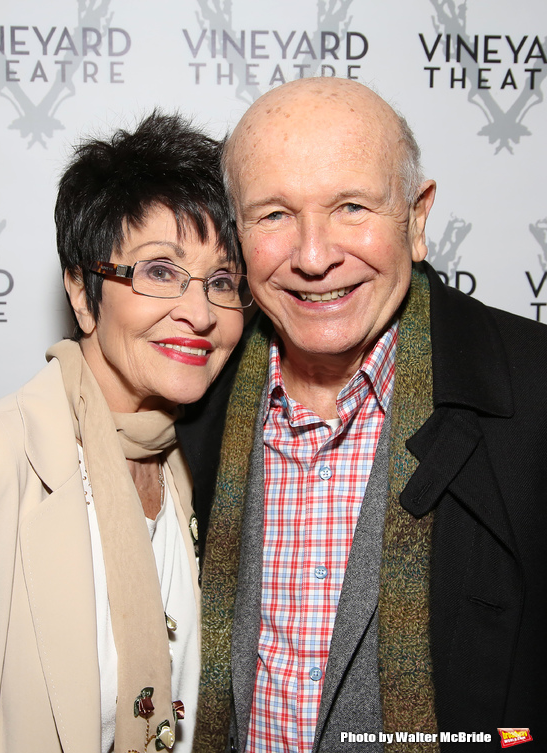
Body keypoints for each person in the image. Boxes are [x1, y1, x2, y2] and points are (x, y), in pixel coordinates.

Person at [191, 78, 547, 752]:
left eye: (351, 206)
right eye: (273, 215)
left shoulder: (533, 397)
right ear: (235, 238)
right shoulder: (192, 406)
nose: (315, 255)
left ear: (416, 219)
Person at [0, 111, 249, 753]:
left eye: (222, 280)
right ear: (84, 296)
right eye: (159, 271)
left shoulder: (209, 465)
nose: (199, 313)